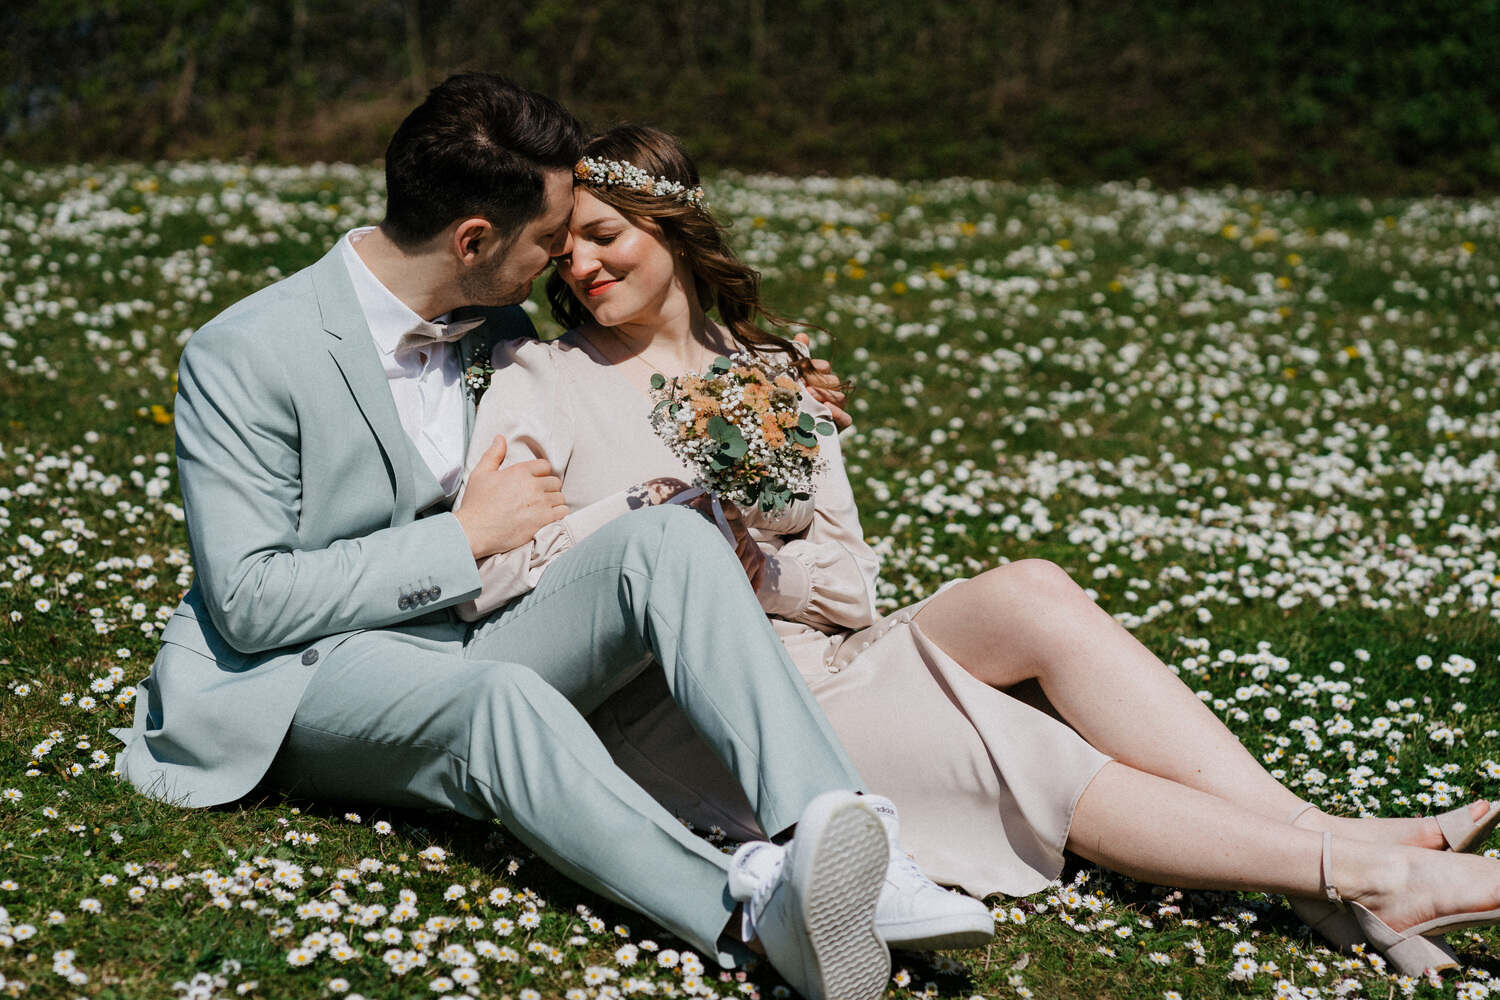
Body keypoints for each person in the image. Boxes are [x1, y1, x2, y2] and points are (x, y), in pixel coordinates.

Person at [459, 122, 1500, 977]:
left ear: (671, 225)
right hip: (694, 706)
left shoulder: (771, 371)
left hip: (819, 647)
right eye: (568, 250)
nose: (583, 265)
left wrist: (759, 548)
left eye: (607, 235)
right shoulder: (542, 379)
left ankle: (1327, 849)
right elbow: (500, 579)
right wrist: (661, 507)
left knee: (1035, 592)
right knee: (1012, 737)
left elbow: (850, 590)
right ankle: (1357, 876)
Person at [110, 75, 994, 1000]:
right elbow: (250, 603)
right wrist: (461, 538)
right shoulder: (244, 353)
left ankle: (844, 838)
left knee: (671, 538)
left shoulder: (494, 321)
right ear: (475, 240)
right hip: (304, 671)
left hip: (477, 627)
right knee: (500, 705)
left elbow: (627, 390)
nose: (563, 267)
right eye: (547, 242)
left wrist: (775, 401)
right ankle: (751, 919)